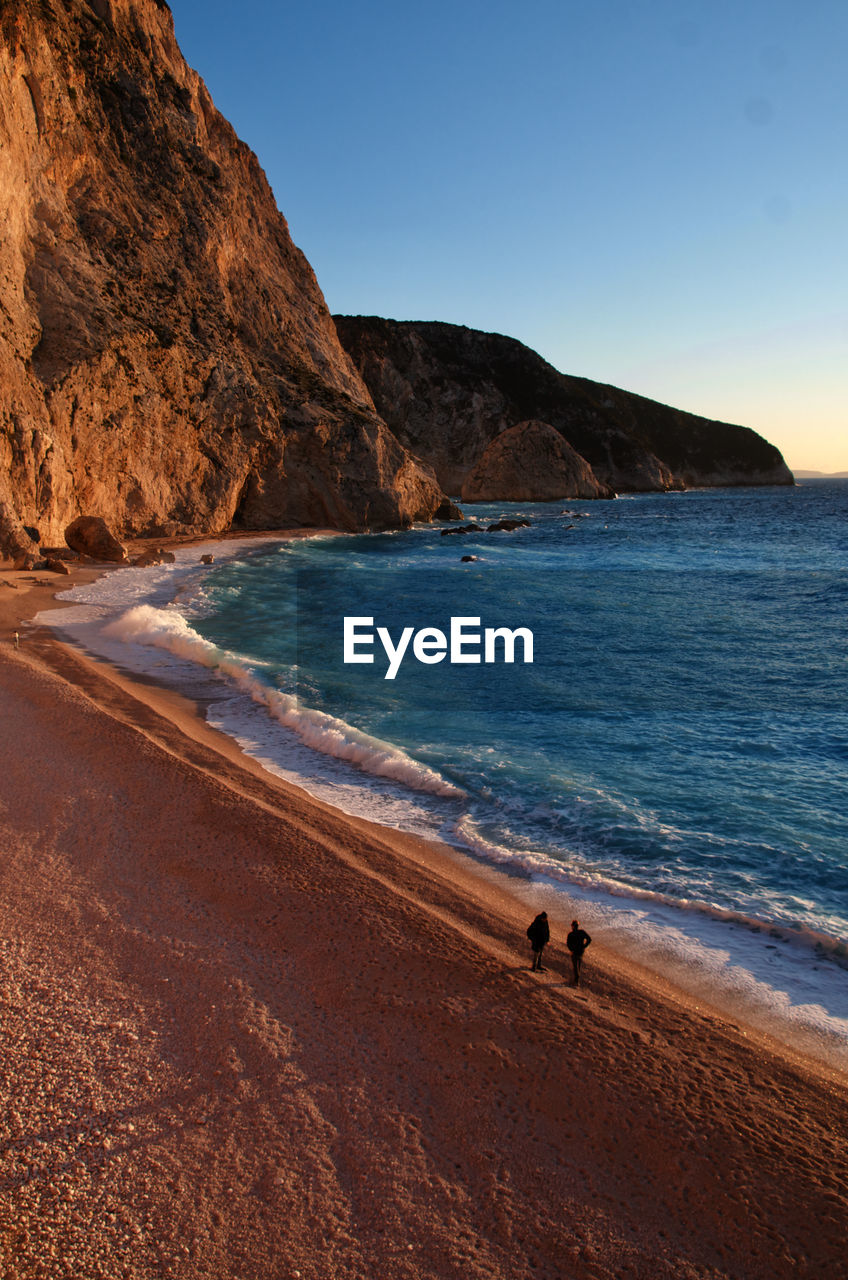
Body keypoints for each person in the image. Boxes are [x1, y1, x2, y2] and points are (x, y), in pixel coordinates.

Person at [566, 919, 592, 985]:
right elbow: (589, 939)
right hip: (581, 951)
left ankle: (576, 981)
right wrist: (584, 946)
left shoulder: (571, 934)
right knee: (578, 965)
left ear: (572, 926)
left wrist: (571, 950)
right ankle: (576, 980)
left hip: (574, 952)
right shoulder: (582, 932)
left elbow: (568, 944)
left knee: (575, 966)